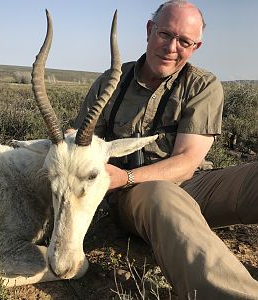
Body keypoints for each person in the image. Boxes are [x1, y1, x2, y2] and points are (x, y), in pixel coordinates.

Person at [74, 0, 258, 299]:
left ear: (195, 46)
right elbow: (82, 143)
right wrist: (119, 178)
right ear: (149, 31)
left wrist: (126, 176)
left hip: (192, 186)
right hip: (134, 197)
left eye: (184, 41)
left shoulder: (202, 85)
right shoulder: (111, 83)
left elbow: (186, 163)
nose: (172, 47)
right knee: (161, 193)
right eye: (165, 34)